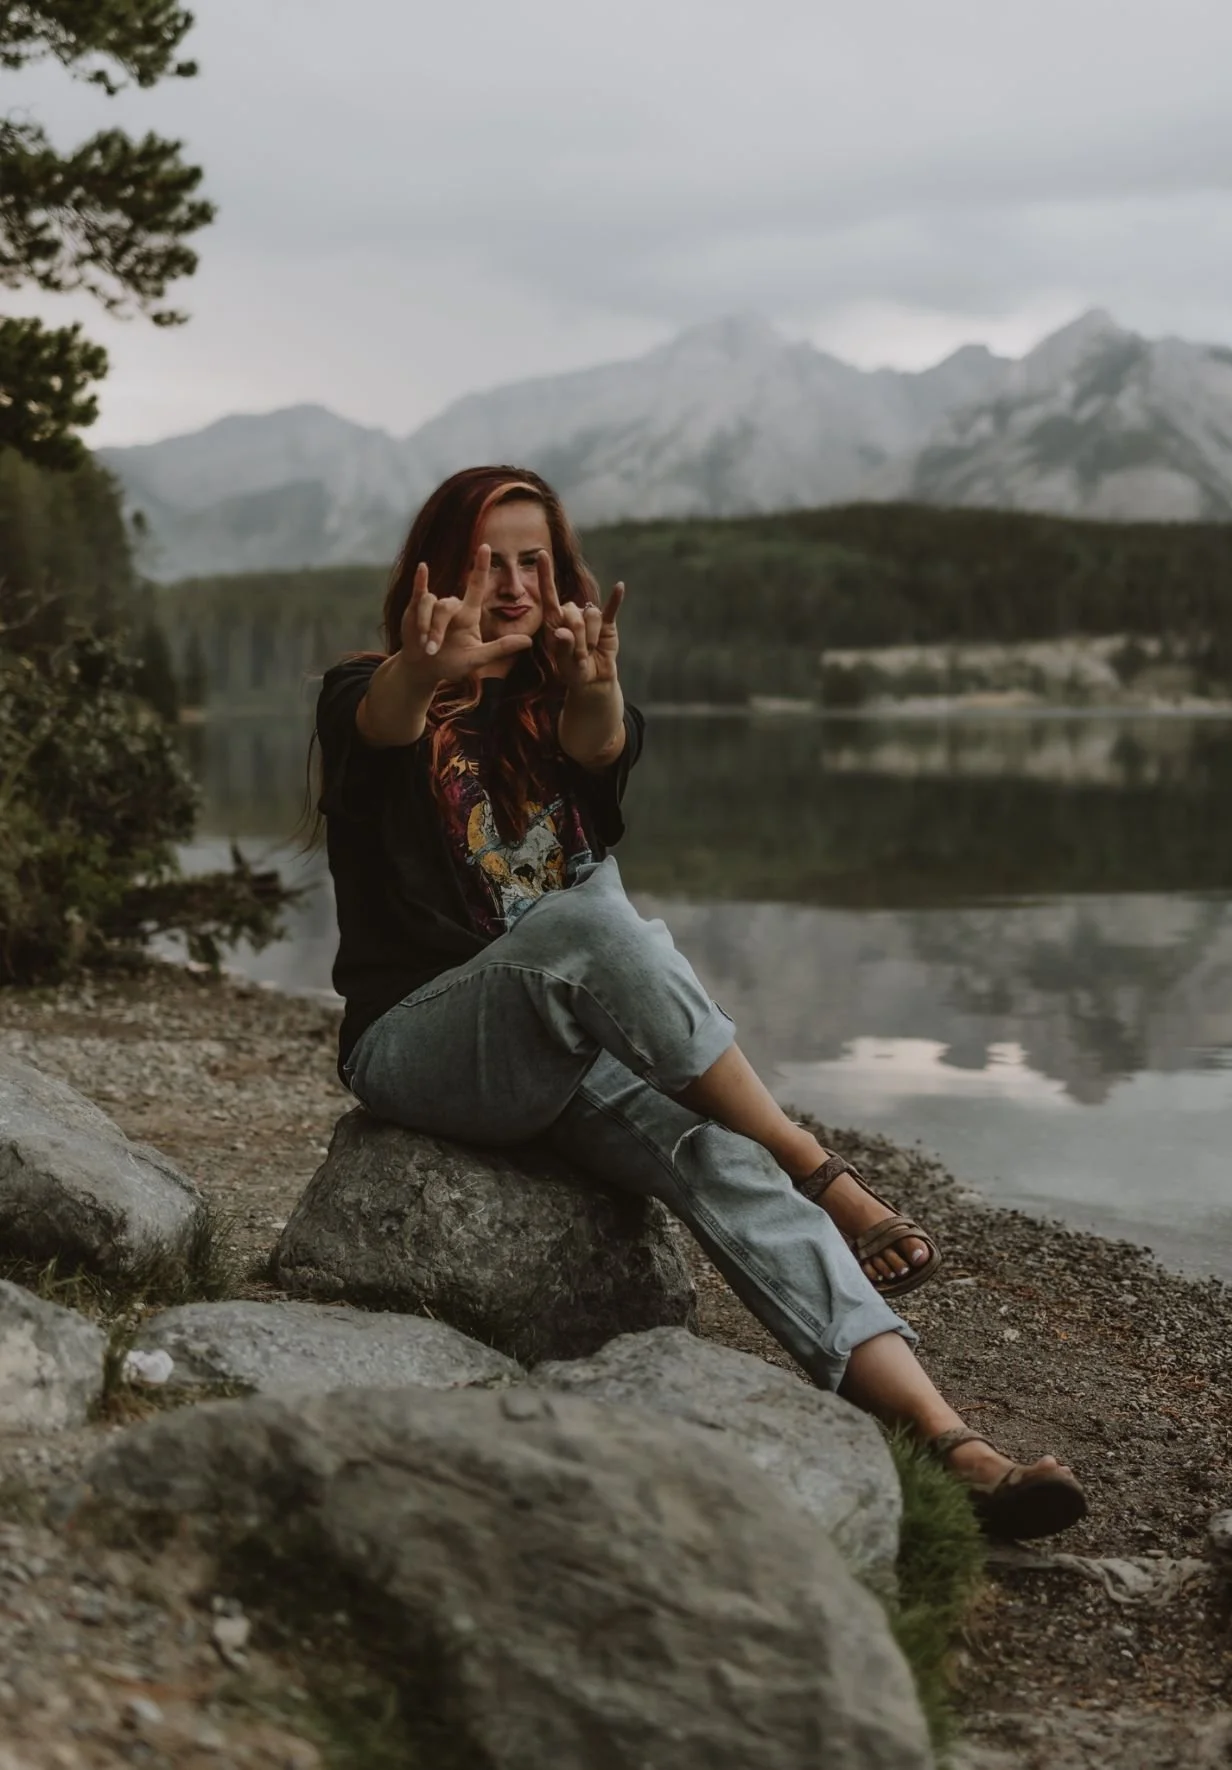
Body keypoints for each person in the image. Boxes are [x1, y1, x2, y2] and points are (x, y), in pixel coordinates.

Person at [314, 464, 1086, 1541]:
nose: (514, 581)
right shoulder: (365, 688)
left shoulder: (559, 708)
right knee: (590, 918)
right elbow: (387, 721)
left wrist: (591, 681)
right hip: (419, 1046)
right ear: (439, 570)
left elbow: (598, 744)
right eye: (490, 559)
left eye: (534, 559)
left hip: (553, 1049)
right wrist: (421, 665)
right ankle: (817, 1162)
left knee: (718, 1156)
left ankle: (953, 1444)